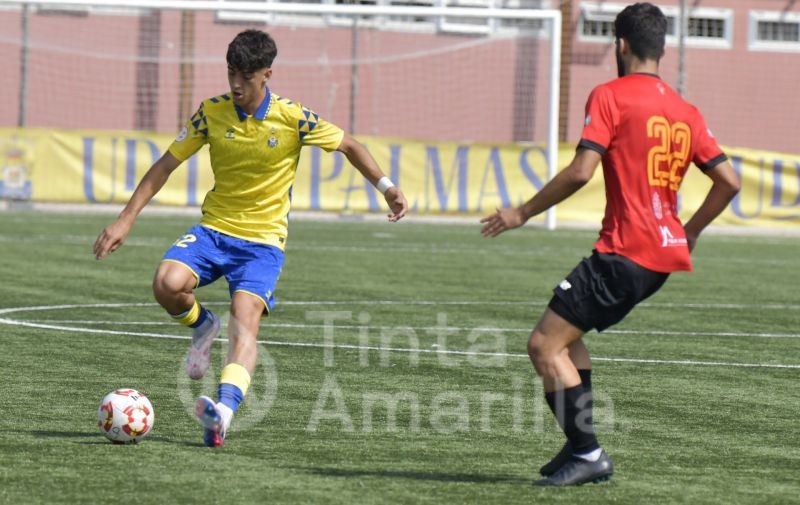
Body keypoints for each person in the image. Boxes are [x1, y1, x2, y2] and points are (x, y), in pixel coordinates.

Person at [93, 29, 408, 448]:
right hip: (214, 230)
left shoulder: (293, 117)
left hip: (262, 243)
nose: (236, 85)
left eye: (245, 76)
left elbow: (349, 144)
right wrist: (125, 219)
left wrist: (387, 187)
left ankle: (221, 412)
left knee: (245, 320)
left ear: (266, 74)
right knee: (166, 284)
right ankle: (202, 325)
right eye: (230, 74)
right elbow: (166, 164)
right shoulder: (211, 112)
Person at [480, 2, 740, 486]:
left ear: (620, 44)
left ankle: (588, 452)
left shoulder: (611, 96)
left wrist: (521, 213)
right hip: (661, 257)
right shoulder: (686, 110)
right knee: (567, 341)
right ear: (660, 48)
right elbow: (728, 181)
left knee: (542, 346)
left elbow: (582, 171)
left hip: (624, 252)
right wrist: (692, 230)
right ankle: (578, 445)